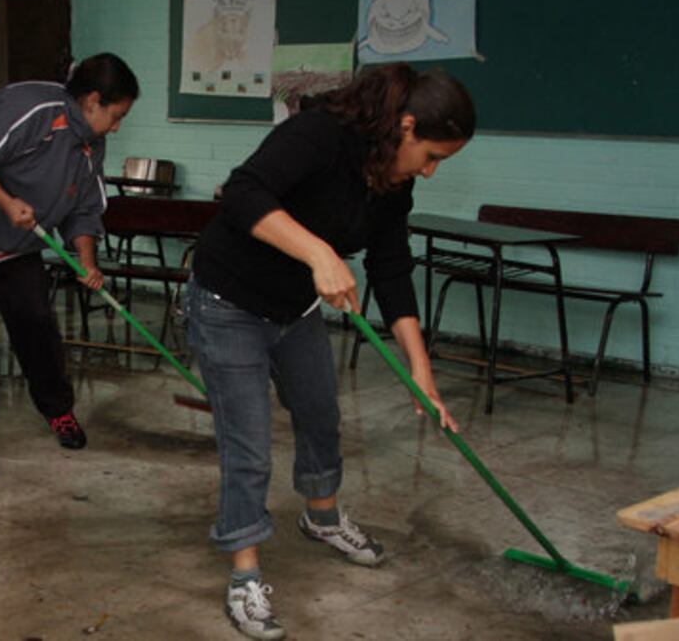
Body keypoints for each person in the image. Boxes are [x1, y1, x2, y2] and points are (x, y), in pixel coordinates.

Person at [184, 62, 474, 640]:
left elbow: (391, 267)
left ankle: (322, 518)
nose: (432, 171)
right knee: (249, 443)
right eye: (432, 155)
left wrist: (421, 368)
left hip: (296, 310)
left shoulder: (394, 178)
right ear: (406, 126)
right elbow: (242, 193)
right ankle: (245, 575)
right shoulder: (317, 135)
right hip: (228, 302)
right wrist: (319, 253)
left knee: (320, 414)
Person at [0, 53, 139, 479]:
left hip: (18, 239)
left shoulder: (92, 141)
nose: (117, 126)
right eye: (116, 115)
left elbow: (85, 207)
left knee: (36, 321)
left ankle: (59, 410)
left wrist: (86, 262)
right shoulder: (33, 111)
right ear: (92, 100)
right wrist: (5, 202)